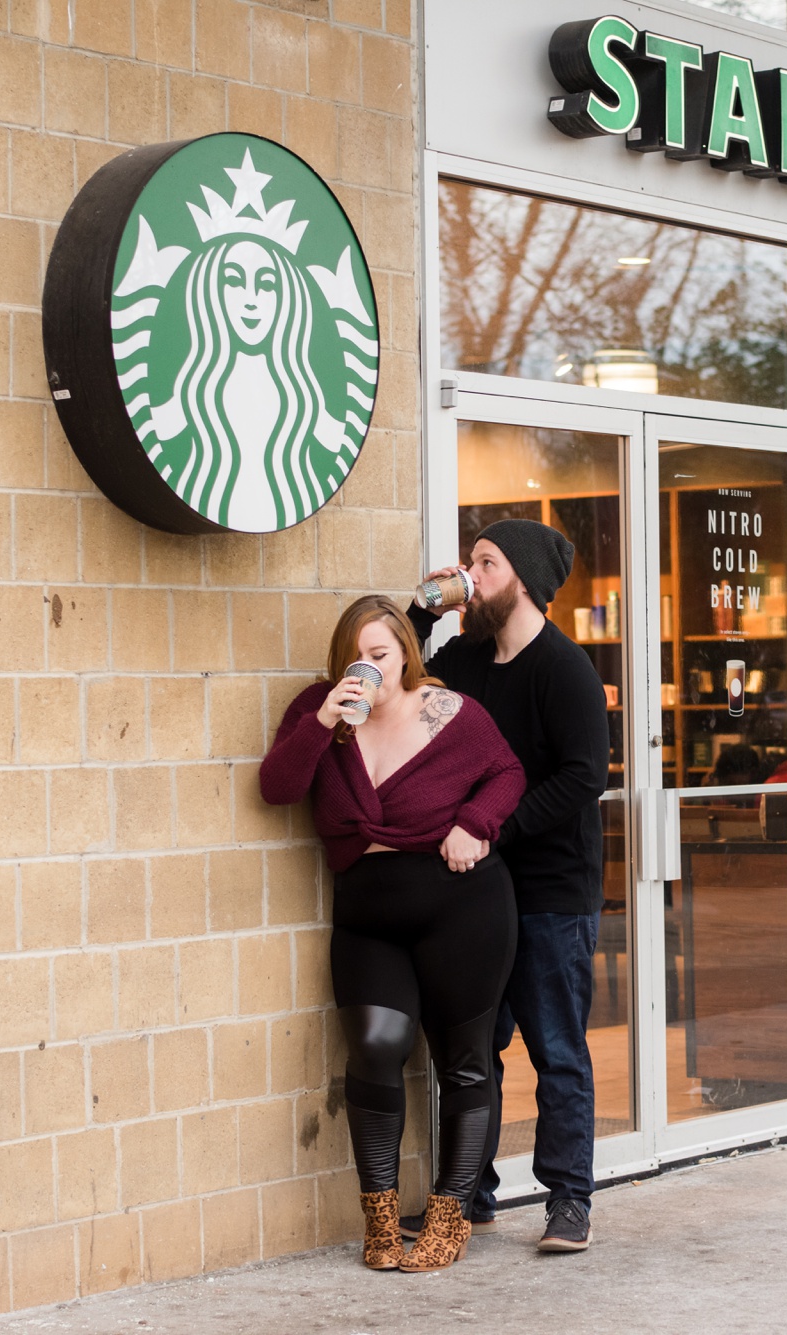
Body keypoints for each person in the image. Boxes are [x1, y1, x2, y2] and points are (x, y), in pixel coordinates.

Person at [259, 596, 525, 1273]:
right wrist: (321, 723)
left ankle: (450, 1213)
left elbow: (508, 773)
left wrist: (477, 823)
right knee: (376, 1047)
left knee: (464, 1062)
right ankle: (379, 1218)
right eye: (357, 657)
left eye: (380, 655)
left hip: (463, 908)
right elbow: (276, 786)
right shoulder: (320, 713)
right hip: (368, 914)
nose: (369, 668)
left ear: (405, 652)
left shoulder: (448, 714)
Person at [404, 519, 610, 1254]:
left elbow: (585, 777)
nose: (473, 574)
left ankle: (569, 1201)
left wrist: (495, 826)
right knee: (475, 1048)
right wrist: (428, 607)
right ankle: (469, 1193)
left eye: (486, 563)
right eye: (472, 562)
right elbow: (403, 674)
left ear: (523, 578)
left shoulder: (564, 669)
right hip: (481, 889)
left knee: (555, 1048)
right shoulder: (465, 658)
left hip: (552, 889)